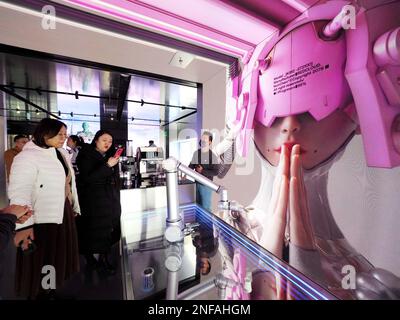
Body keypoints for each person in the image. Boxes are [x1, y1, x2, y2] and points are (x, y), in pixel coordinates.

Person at [218, 1, 400, 300]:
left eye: (310, 111)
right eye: (272, 114)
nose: (289, 126)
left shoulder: (368, 284)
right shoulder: (227, 226)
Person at [8, 118, 81, 299]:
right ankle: (42, 292)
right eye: (59, 134)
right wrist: (25, 225)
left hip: (61, 211)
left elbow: (69, 183)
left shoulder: (60, 153)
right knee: (43, 257)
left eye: (65, 134)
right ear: (45, 133)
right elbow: (20, 192)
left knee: (57, 256)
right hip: (41, 217)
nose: (63, 138)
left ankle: (50, 289)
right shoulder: (26, 156)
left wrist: (72, 204)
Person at [75, 129, 121, 275]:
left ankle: (103, 258)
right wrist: (108, 166)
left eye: (110, 141)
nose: (108, 143)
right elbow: (88, 178)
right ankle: (92, 260)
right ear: (96, 140)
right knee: (92, 231)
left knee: (110, 229)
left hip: (109, 199)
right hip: (93, 201)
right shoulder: (86, 155)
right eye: (104, 140)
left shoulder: (109, 156)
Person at [189, 131, 219, 212]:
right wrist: (184, 174)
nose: (202, 140)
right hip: (196, 183)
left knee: (206, 208)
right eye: (202, 138)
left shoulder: (212, 156)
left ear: (210, 142)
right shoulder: (196, 153)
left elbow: (216, 172)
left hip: (206, 185)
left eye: (205, 138)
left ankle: (207, 225)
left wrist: (202, 171)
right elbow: (190, 166)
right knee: (197, 206)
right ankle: (199, 224)